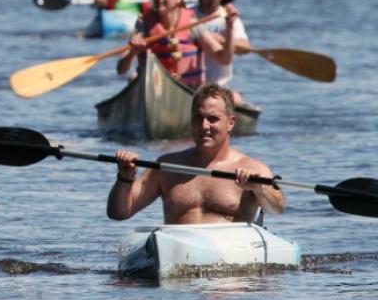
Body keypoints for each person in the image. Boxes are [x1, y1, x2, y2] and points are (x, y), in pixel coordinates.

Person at [107, 84, 285, 224]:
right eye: (198, 118)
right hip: (177, 254)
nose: (204, 126)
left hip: (231, 257)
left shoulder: (252, 168)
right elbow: (119, 213)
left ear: (231, 123)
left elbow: (277, 208)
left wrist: (258, 189)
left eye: (212, 119)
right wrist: (125, 178)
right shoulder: (166, 167)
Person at [116, 0, 237, 89]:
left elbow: (224, 59)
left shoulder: (192, 23)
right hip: (154, 88)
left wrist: (230, 27)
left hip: (188, 90)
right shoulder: (144, 25)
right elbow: (121, 69)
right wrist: (133, 52)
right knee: (133, 78)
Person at [192, 0, 249, 103]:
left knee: (237, 100)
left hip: (218, 86)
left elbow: (244, 48)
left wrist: (222, 40)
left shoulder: (228, 18)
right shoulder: (188, 14)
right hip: (189, 83)